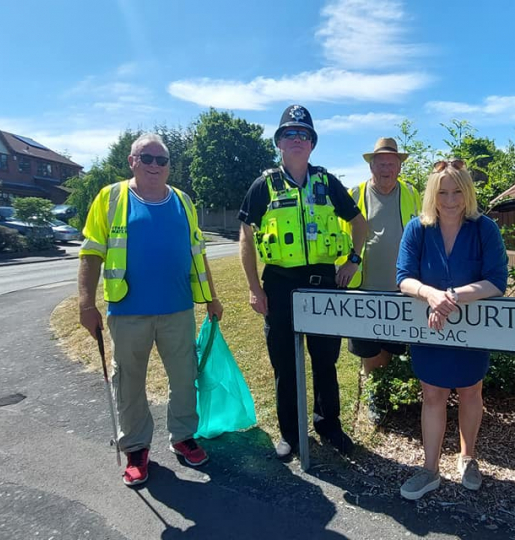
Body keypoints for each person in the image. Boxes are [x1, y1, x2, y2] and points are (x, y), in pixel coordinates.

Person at [78, 133, 223, 487]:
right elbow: (91, 252)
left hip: (177, 309)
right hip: (128, 312)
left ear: (169, 166)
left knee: (184, 377)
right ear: (132, 162)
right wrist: (85, 303)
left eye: (162, 160)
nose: (155, 165)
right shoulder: (111, 197)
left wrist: (211, 297)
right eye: (147, 158)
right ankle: (136, 449)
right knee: (129, 382)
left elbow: (198, 252)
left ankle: (183, 436)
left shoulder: (184, 201)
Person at [238, 104, 366, 459]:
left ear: (312, 144)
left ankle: (329, 426)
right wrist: (253, 287)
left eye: (303, 134)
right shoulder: (263, 185)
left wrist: (353, 261)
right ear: (279, 142)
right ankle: (291, 435)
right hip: (279, 285)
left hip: (323, 282)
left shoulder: (327, 183)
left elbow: (359, 223)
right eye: (290, 134)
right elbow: (245, 237)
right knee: (285, 363)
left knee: (326, 359)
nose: (297, 139)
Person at [395, 159, 508, 500]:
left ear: (467, 192)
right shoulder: (418, 229)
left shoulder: (484, 228)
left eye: (457, 191)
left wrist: (455, 297)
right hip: (429, 330)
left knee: (471, 391)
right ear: (432, 194)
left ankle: (468, 456)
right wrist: (430, 294)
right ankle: (430, 469)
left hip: (470, 331)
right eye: (442, 192)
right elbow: (404, 278)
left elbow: (496, 281)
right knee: (432, 394)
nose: (450, 199)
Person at [342, 137, 421, 423]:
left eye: (392, 163)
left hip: (402, 288)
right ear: (371, 165)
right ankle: (374, 399)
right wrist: (347, 263)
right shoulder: (355, 193)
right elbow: (341, 235)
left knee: (392, 347)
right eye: (381, 163)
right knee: (369, 349)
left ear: (399, 167)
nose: (387, 168)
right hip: (364, 287)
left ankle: (389, 397)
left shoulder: (412, 193)